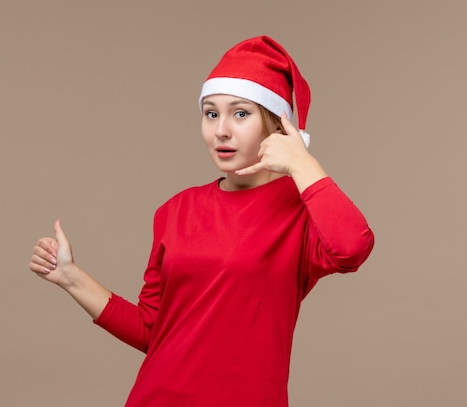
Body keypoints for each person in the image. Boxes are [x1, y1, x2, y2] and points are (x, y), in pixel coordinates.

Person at [29, 35, 375, 407]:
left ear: (277, 127)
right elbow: (152, 331)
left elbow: (352, 247)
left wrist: (303, 163)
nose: (221, 130)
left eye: (240, 113)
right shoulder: (175, 211)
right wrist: (70, 276)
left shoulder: (301, 211)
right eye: (211, 113)